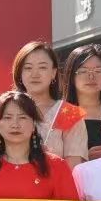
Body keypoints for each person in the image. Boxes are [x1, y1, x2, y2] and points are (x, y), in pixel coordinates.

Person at [14, 40, 88, 168]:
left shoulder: (70, 113)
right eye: (28, 68)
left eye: (42, 67)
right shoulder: (5, 110)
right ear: (19, 73)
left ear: (53, 73)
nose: (35, 74)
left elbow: (73, 169)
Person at [63, 44, 101, 161]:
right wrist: (83, 158)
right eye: (83, 71)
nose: (91, 76)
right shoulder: (62, 113)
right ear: (71, 75)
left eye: (98, 71)